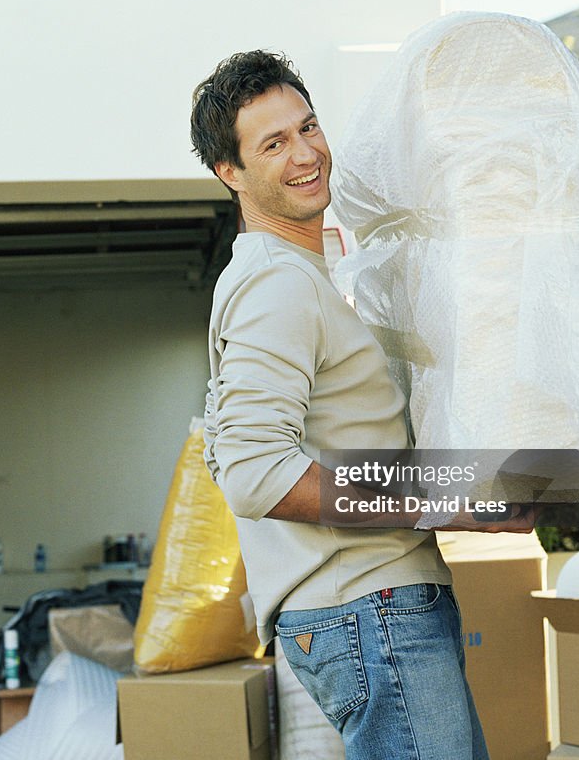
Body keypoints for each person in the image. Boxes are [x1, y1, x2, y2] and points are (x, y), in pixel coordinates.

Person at [192, 50, 535, 760]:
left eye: (308, 126)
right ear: (231, 172)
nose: (306, 153)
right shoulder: (274, 286)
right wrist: (441, 498)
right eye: (274, 143)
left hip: (372, 612)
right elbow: (256, 473)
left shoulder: (296, 276)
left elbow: (227, 443)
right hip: (370, 610)